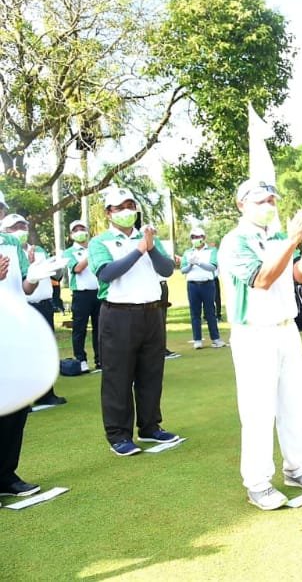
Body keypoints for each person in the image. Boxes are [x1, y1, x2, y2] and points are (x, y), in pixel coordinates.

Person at [218, 180, 302, 510]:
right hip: (254, 333)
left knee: (294, 403)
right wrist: (295, 239)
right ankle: (257, 481)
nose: (268, 205)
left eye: (271, 200)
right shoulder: (233, 242)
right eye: (261, 200)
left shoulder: (277, 237)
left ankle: (297, 468)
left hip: (286, 329)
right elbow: (262, 279)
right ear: (242, 204)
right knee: (258, 410)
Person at [89, 187, 179, 456]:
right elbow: (107, 273)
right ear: (109, 213)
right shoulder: (100, 242)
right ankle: (118, 434)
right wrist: (139, 250)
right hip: (118, 314)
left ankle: (150, 426)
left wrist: (149, 248)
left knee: (151, 373)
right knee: (118, 376)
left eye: (130, 205)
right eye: (119, 207)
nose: (127, 211)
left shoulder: (148, 237)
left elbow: (166, 269)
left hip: (151, 312)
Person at [0, 190, 49, 498]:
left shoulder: (11, 243)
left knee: (16, 406)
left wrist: (35, 276)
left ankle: (6, 474)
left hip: (14, 328)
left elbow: (24, 287)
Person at [0, 214, 67, 407]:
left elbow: (26, 287)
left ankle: (37, 395)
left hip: (26, 312)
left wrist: (32, 277)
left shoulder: (16, 245)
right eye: (15, 226)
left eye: (23, 226)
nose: (20, 230)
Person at [64, 220, 101, 372]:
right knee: (80, 328)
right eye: (76, 230)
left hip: (98, 292)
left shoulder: (95, 248)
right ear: (71, 235)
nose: (79, 231)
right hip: (81, 294)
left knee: (100, 328)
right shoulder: (68, 252)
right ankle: (81, 359)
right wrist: (90, 254)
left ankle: (100, 359)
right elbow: (77, 268)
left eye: (82, 229)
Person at [180, 227, 225, 350]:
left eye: (198, 237)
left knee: (210, 312)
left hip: (208, 284)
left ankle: (215, 338)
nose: (196, 239)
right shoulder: (187, 252)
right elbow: (183, 270)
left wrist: (199, 263)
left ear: (204, 238)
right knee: (195, 313)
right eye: (193, 237)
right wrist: (190, 264)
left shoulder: (211, 251)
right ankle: (197, 339)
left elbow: (212, 267)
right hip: (192, 285)